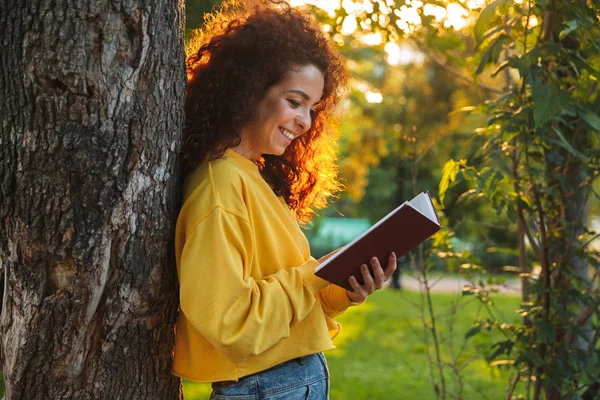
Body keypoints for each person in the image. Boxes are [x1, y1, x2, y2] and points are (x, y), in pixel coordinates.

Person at [172, 1, 397, 398]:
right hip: (264, 387)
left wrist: (340, 286)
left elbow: (289, 307)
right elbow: (232, 324)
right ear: (247, 90)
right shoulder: (220, 185)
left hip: (287, 381)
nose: (306, 122)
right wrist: (312, 275)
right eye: (295, 102)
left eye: (312, 108)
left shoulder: (253, 177)